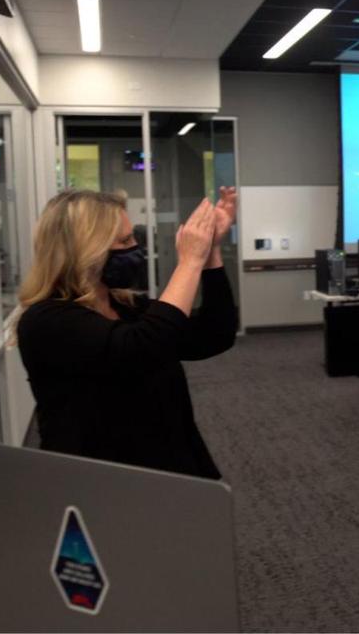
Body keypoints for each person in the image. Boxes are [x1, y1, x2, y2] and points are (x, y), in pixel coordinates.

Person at [15, 188, 239, 479]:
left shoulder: (126, 305)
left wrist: (210, 253)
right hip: (101, 484)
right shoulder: (46, 321)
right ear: (86, 251)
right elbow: (143, 349)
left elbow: (213, 335)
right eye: (125, 240)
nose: (136, 247)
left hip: (168, 468)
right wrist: (189, 262)